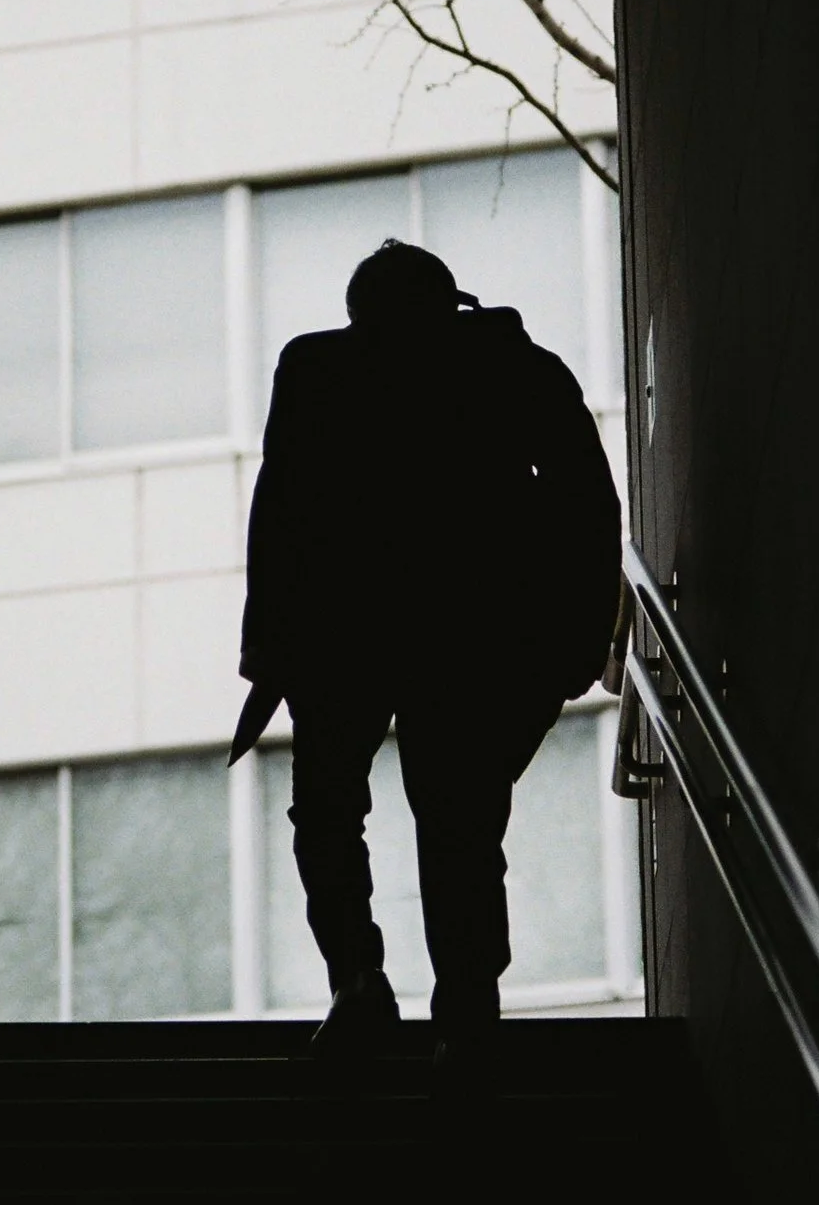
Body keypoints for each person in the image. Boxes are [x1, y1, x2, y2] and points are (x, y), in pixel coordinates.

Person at [234, 240, 618, 1072]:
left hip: (344, 635)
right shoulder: (509, 363)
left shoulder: (318, 369)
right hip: (468, 633)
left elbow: (282, 509)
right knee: (459, 827)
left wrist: (268, 643)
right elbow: (587, 502)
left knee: (333, 817)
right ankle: (467, 1013)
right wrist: (578, 635)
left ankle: (362, 985)